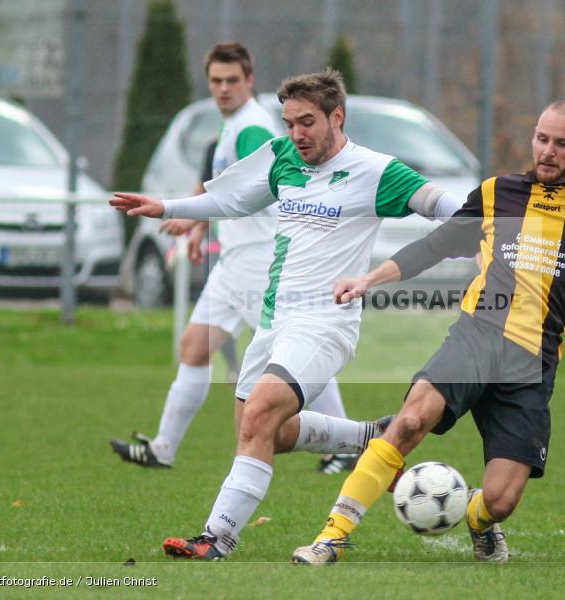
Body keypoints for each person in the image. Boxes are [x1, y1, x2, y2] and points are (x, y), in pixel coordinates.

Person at [291, 101, 565, 565]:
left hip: (532, 359)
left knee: (501, 500)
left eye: (561, 143)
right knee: (410, 421)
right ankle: (331, 536)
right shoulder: (497, 193)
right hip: (477, 335)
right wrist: (369, 280)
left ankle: (477, 518)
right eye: (541, 139)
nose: (548, 151)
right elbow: (438, 244)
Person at [109, 69, 463, 560]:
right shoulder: (282, 158)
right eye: (290, 122)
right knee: (262, 434)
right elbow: (232, 199)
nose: (296, 133)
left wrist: (491, 224)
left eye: (308, 122)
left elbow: (445, 204)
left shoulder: (376, 171)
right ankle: (368, 436)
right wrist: (167, 205)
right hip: (274, 322)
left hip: (325, 322)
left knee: (259, 413)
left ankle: (217, 538)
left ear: (337, 117)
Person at [110, 43, 355, 473]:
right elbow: (230, 189)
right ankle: (163, 447)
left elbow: (247, 192)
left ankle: (346, 442)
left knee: (294, 351)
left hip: (258, 260)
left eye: (231, 80)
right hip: (233, 260)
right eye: (216, 81)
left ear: (249, 81)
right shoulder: (232, 127)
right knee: (194, 346)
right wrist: (201, 226)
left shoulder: (253, 129)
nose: (223, 89)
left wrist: (195, 221)